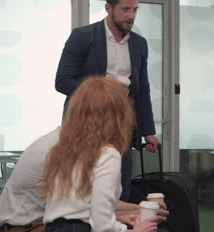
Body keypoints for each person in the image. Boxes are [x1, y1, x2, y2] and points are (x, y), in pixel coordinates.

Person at [54, 0, 159, 201]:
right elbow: (62, 81)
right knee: (84, 190)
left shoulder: (139, 44)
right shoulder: (83, 37)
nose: (131, 15)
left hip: (121, 128)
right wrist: (103, 91)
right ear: (108, 8)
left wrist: (148, 129)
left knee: (121, 189)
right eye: (125, 9)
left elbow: (142, 90)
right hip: (85, 127)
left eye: (135, 9)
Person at [43, 76, 162, 232]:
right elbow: (102, 226)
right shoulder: (107, 154)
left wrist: (118, 222)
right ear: (118, 114)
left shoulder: (62, 150)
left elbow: (79, 208)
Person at [0, 127, 168, 232]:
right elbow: (80, 216)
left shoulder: (69, 139)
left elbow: (92, 202)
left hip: (41, 220)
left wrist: (138, 210)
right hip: (25, 227)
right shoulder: (67, 151)